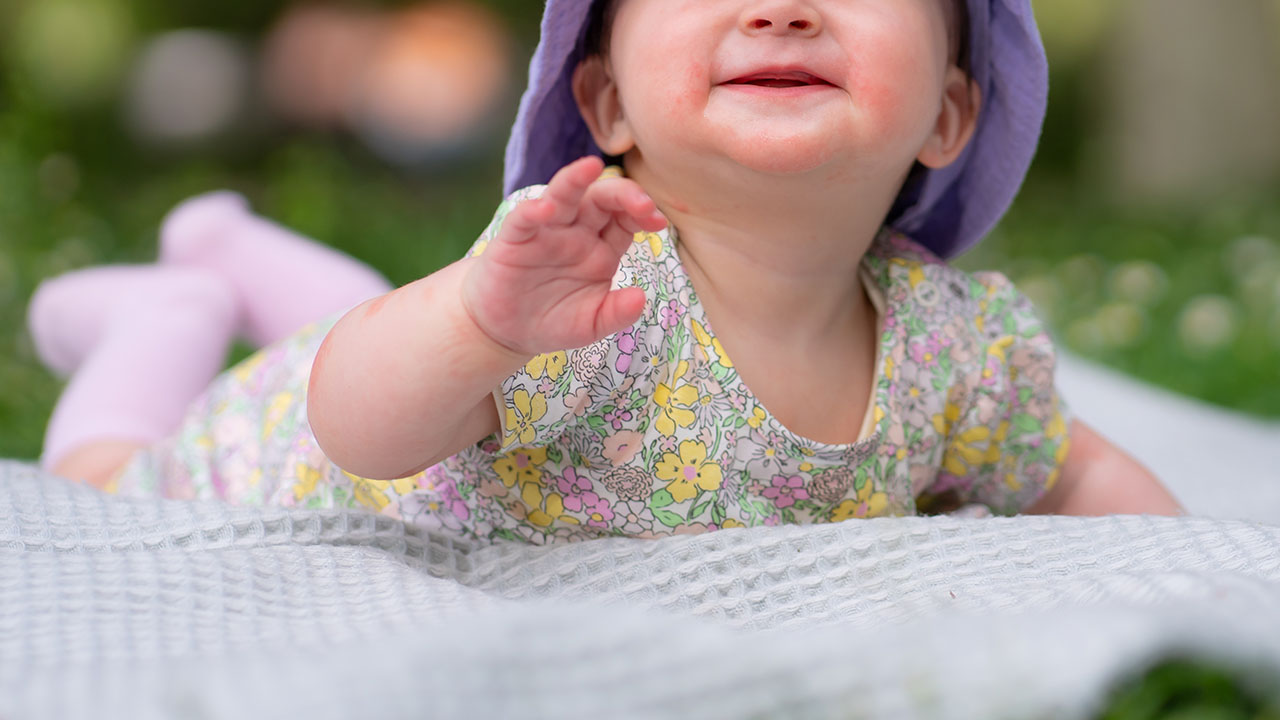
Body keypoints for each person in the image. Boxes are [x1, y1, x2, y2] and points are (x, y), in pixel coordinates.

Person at [28, 0, 1182, 545]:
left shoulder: (950, 344)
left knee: (393, 317)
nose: (779, 11)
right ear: (607, 105)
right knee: (100, 481)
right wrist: (480, 324)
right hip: (294, 443)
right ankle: (163, 312)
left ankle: (240, 253)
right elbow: (355, 429)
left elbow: (1070, 472)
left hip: (433, 366)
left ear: (946, 112)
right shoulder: (578, 303)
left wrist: (1192, 572)